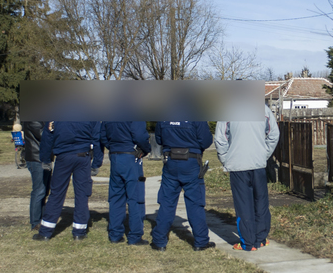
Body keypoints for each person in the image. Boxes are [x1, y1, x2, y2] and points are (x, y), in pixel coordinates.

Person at [214, 105, 280, 251]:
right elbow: (274, 134)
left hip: (238, 165)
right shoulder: (263, 109)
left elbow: (220, 139)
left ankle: (248, 243)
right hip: (258, 163)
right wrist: (264, 154)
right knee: (261, 202)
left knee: (244, 205)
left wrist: (226, 159)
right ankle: (261, 239)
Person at [33, 120, 103, 242]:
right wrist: (96, 162)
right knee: (82, 194)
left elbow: (47, 135)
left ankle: (45, 232)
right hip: (83, 157)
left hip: (63, 156)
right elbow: (97, 138)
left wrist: (45, 159)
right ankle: (79, 232)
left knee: (57, 194)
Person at [150, 120, 215, 252]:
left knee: (167, 202)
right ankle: (201, 241)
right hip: (191, 161)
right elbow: (206, 140)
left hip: (171, 161)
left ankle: (159, 241)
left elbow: (159, 138)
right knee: (195, 203)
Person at [99, 121, 151, 245]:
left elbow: (102, 134)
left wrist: (113, 147)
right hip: (130, 156)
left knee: (116, 197)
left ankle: (115, 234)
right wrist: (146, 149)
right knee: (135, 197)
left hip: (116, 156)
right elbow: (140, 135)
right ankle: (135, 236)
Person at [22, 120, 51, 231]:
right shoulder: (33, 119)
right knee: (39, 191)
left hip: (44, 158)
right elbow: (43, 135)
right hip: (36, 157)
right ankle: (35, 222)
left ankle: (43, 219)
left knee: (44, 190)